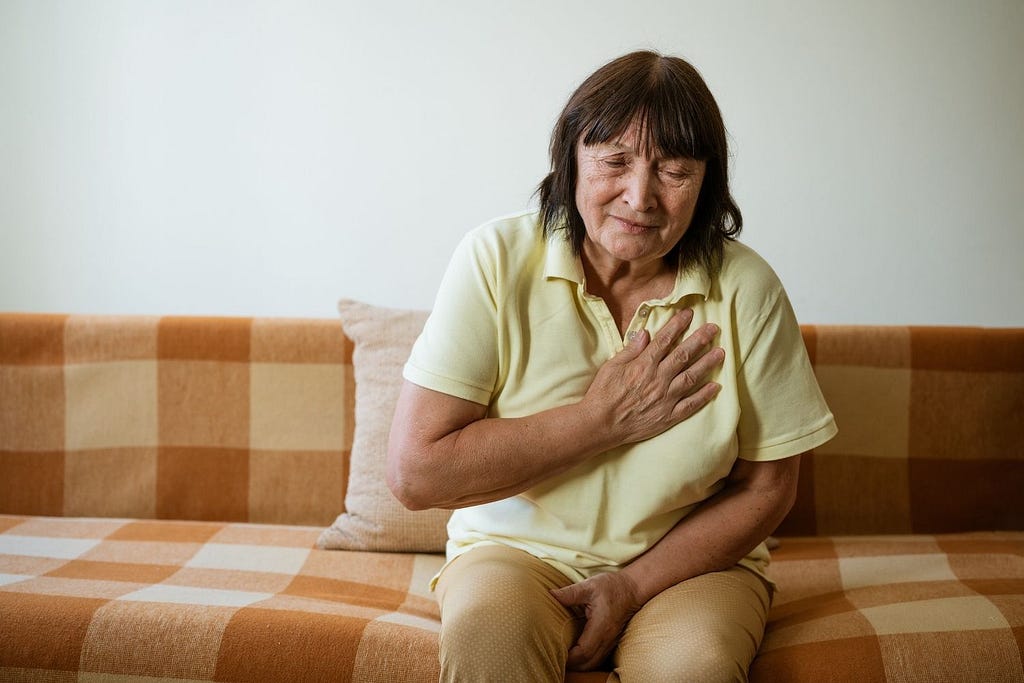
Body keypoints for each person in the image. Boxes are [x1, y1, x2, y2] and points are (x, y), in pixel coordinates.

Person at [387, 50, 837, 682]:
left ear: (708, 181)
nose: (640, 197)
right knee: (492, 641)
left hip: (688, 568)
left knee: (692, 668)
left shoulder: (747, 288)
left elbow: (768, 487)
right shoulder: (494, 258)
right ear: (571, 158)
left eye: (674, 170)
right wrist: (601, 420)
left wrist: (630, 585)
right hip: (513, 554)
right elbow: (416, 474)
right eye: (615, 161)